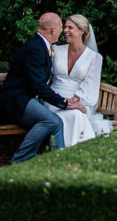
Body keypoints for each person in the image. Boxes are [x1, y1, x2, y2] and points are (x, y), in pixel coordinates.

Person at [0, 12, 86, 163]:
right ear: (53, 30)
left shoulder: (41, 45)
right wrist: (64, 103)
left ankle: (58, 166)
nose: (62, 31)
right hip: (13, 102)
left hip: (24, 99)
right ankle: (17, 163)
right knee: (52, 121)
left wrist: (64, 100)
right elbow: (39, 85)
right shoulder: (35, 48)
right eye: (61, 27)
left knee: (56, 123)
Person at [47, 14, 113, 145]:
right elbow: (46, 76)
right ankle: (78, 151)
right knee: (75, 114)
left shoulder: (94, 58)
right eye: (65, 27)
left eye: (70, 27)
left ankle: (72, 152)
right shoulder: (55, 50)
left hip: (81, 99)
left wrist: (74, 100)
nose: (65, 31)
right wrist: (60, 100)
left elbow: (91, 84)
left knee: (77, 113)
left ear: (81, 31)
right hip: (54, 99)